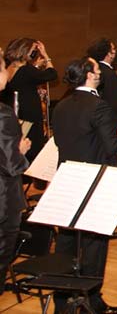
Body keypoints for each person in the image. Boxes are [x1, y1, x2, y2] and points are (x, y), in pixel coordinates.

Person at [50, 58, 117, 314]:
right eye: (96, 69)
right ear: (90, 76)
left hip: (67, 178)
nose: (100, 73)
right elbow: (111, 149)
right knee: (94, 244)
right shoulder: (99, 107)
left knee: (67, 241)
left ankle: (63, 301)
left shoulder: (60, 106)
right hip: (94, 182)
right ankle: (91, 301)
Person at [0, 56, 30, 292]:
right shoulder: (4, 114)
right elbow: (11, 166)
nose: (7, 72)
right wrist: (21, 151)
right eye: (3, 67)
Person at [2, 38, 56, 161]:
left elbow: (24, 84)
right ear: (25, 51)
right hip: (30, 116)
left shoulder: (9, 67)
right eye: (33, 51)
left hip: (17, 114)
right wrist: (45, 55)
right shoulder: (26, 70)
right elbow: (52, 74)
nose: (34, 54)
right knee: (33, 150)